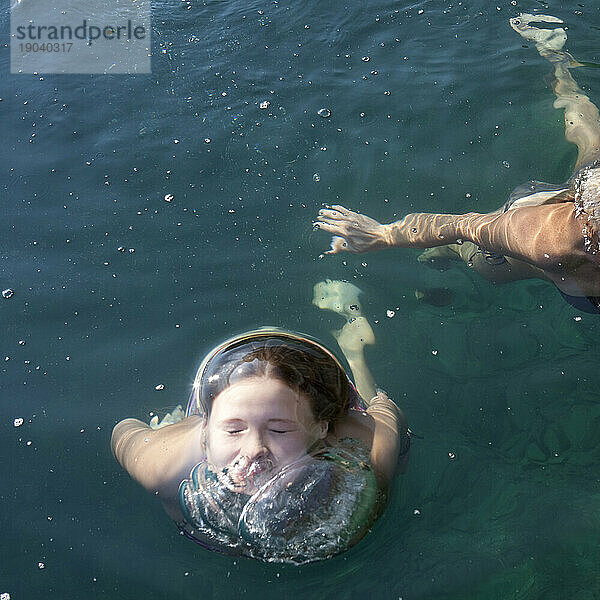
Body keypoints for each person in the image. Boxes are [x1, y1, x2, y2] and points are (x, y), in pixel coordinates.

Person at [314, 14, 600, 314]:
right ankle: (446, 252)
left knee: (589, 133)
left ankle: (558, 64)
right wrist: (384, 235)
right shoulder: (548, 240)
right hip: (525, 224)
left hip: (584, 198)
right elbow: (462, 224)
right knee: (476, 256)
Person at [111, 280, 410, 563]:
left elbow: (386, 412)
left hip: (319, 390)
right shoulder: (163, 468)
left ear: (321, 429)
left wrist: (378, 409)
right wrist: (164, 434)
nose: (254, 450)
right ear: (206, 428)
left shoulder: (361, 451)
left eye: (279, 429)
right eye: (235, 430)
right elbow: (122, 431)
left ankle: (354, 351)